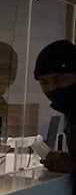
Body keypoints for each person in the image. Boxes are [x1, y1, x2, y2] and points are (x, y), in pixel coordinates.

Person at [34, 39, 76, 175]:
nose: (52, 88)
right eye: (44, 82)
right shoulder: (71, 111)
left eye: (60, 79)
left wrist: (72, 167)